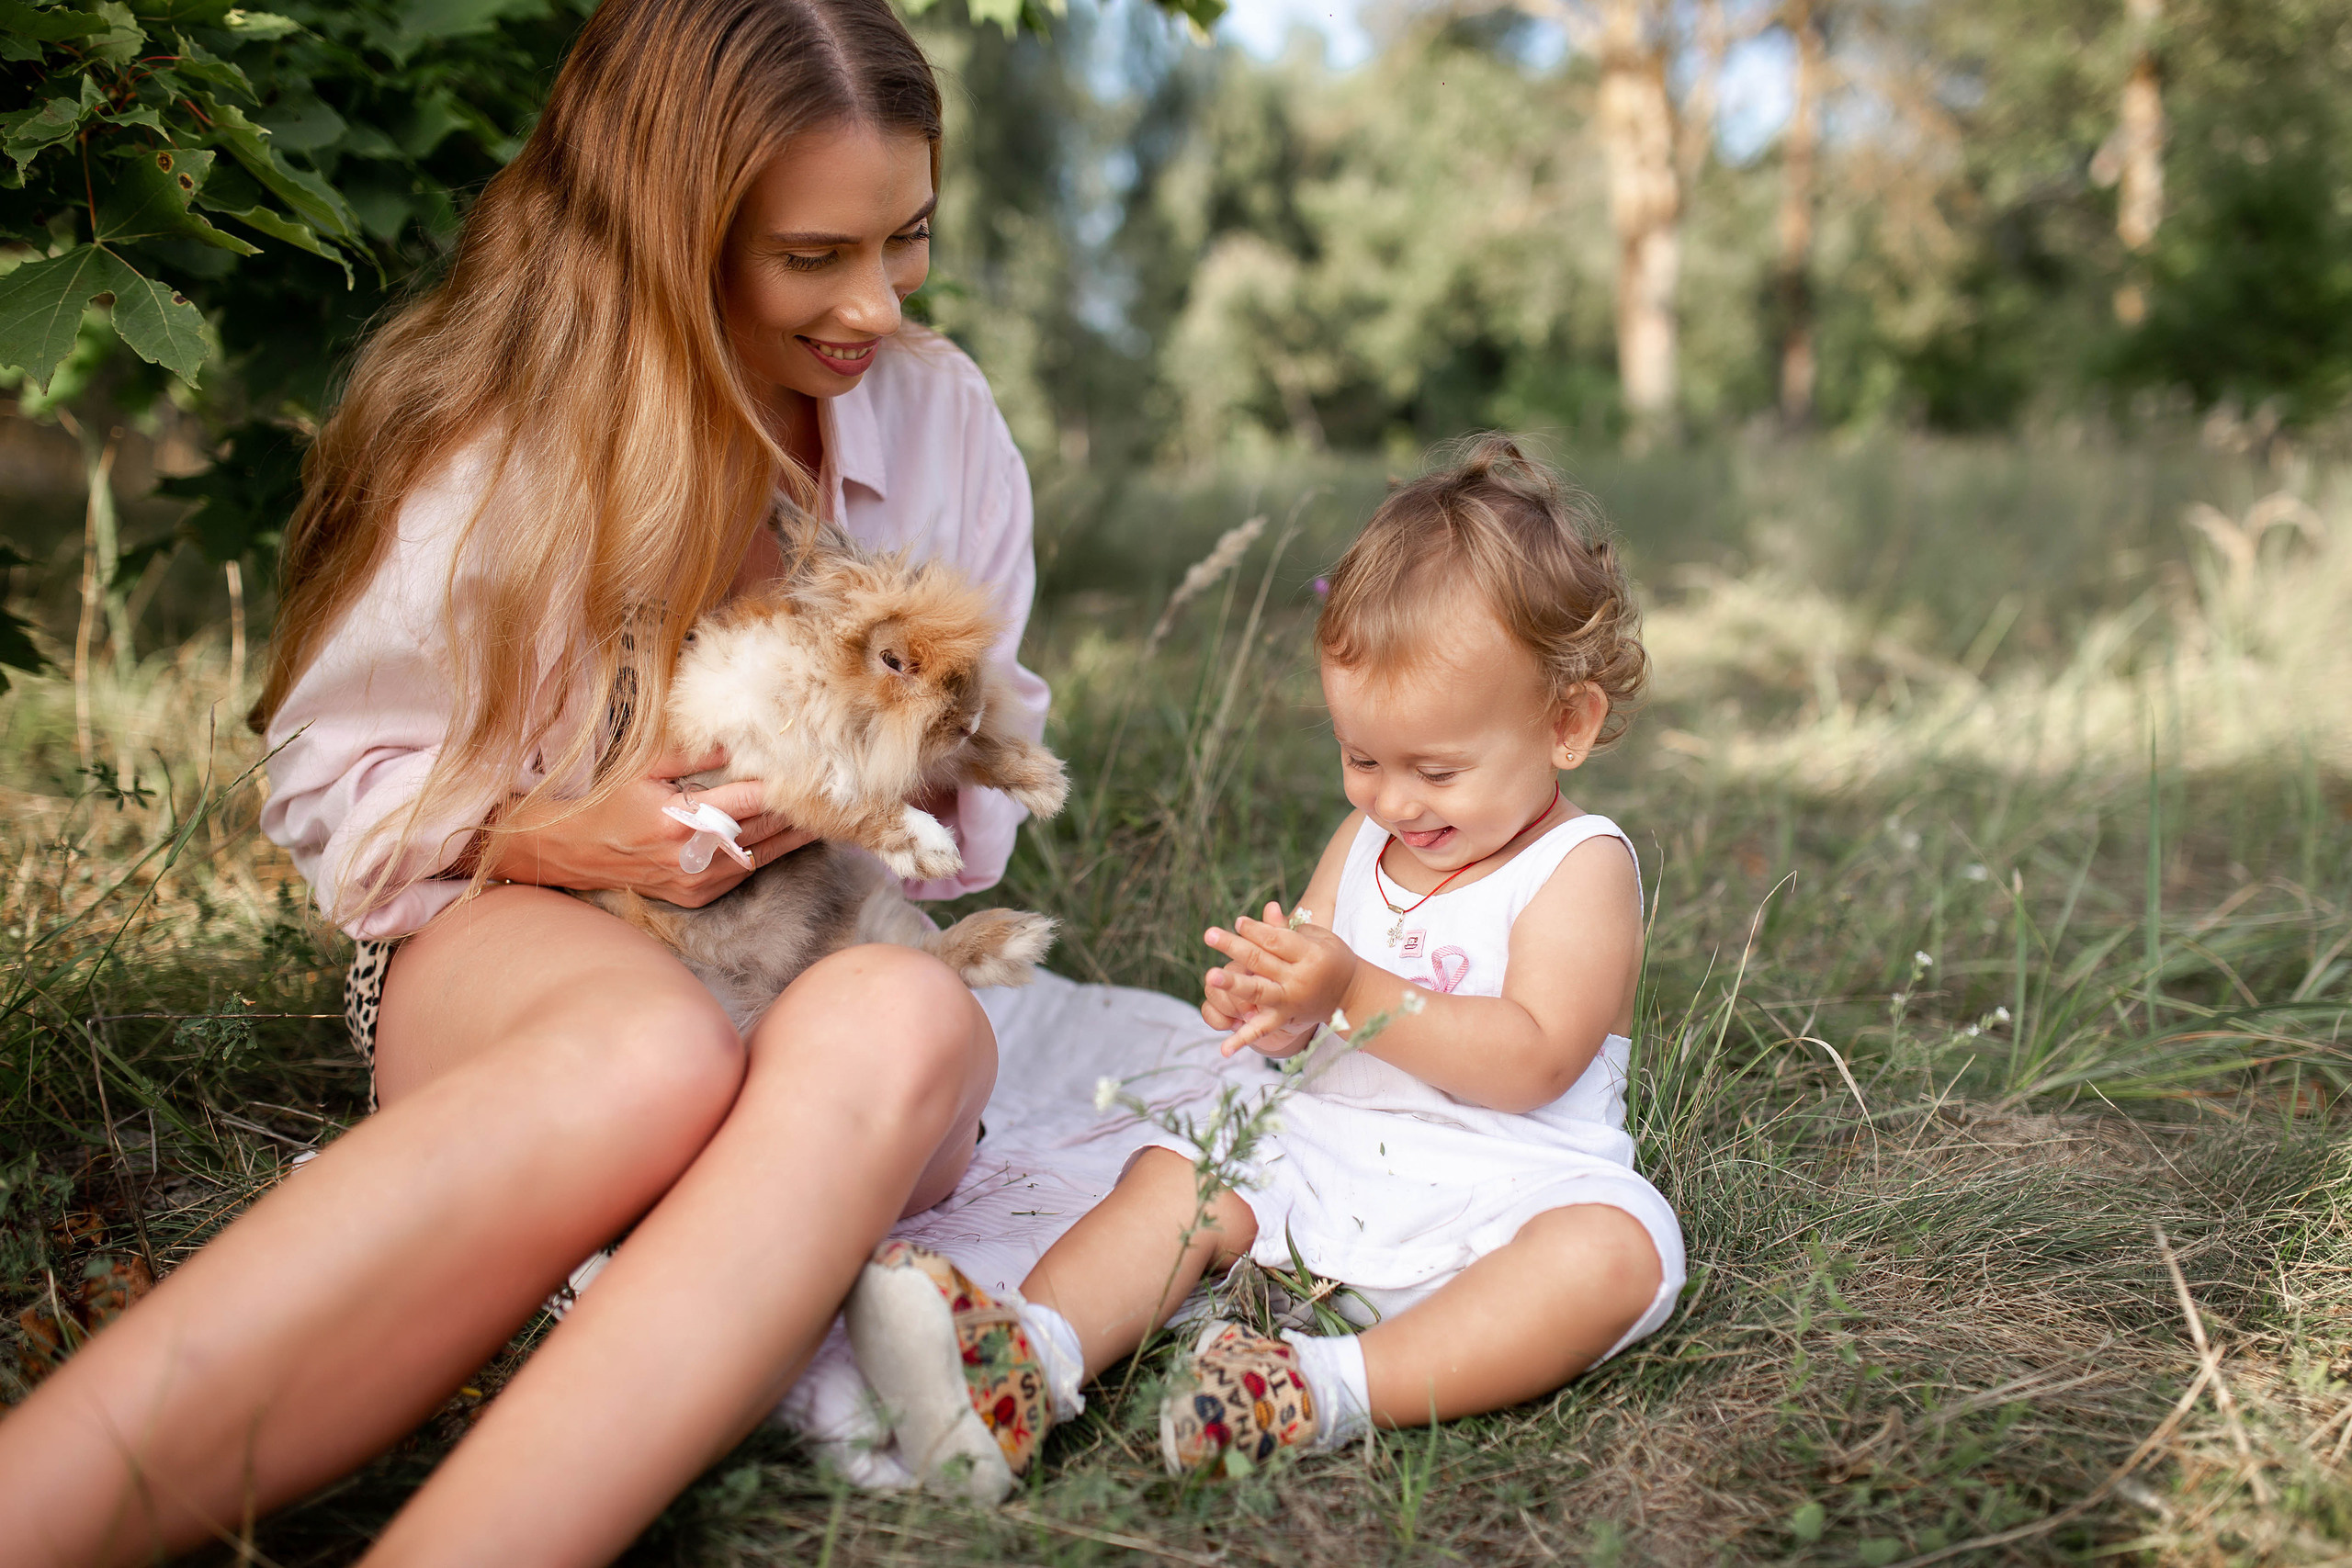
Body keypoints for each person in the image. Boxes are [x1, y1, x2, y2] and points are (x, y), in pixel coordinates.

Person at [0, 2, 1048, 1562]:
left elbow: (984, 759)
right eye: (812, 255)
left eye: (904, 239)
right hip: (526, 929)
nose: (877, 307)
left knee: (903, 1017)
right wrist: (567, 832)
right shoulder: (498, 441)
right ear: (666, 234)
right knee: (651, 1057)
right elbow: (332, 785)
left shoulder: (942, 414)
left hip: (832, 931)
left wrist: (874, 772)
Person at [844, 436, 1685, 1500]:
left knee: (1622, 1253)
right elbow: (1315, 992)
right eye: (1361, 759)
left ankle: (1317, 1388)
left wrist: (1349, 991)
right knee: (1177, 1171)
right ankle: (1024, 1358)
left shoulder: (1581, 868)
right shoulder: (1369, 839)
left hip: (1501, 1178)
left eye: (1434, 769)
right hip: (1328, 1148)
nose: (1392, 801)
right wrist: (1278, 1008)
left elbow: (1535, 1060)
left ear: (1567, 725)